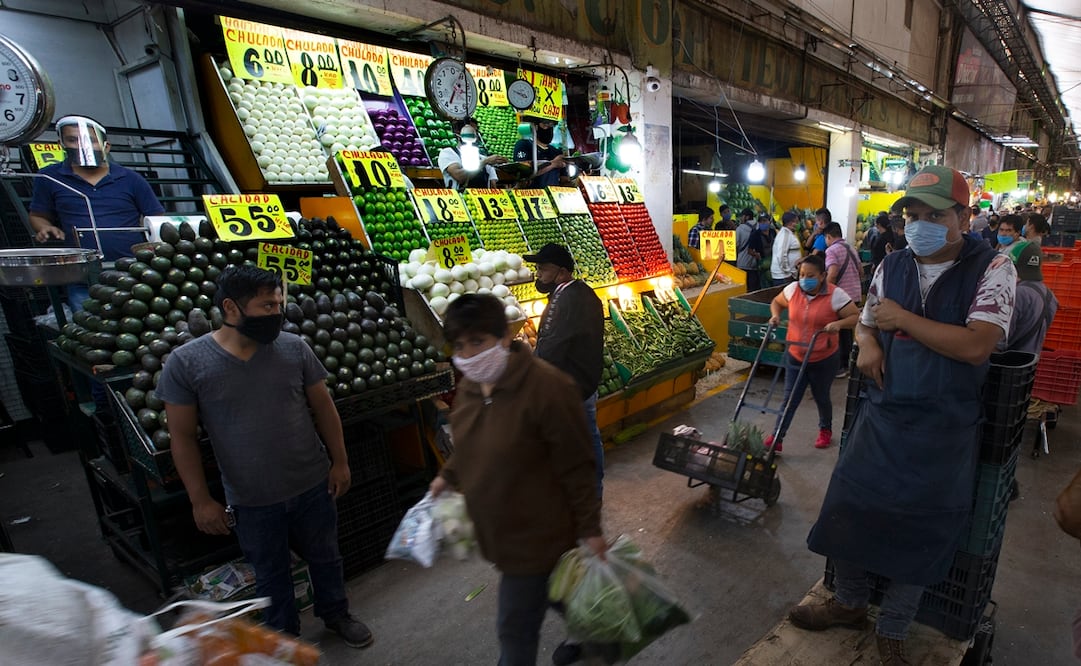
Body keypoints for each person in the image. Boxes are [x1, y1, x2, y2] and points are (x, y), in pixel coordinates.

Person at [788, 165, 1015, 664]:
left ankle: (893, 626)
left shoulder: (994, 269)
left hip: (944, 429)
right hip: (885, 417)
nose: (918, 224)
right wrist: (867, 343)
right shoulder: (893, 265)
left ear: (963, 215)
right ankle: (848, 603)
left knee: (920, 532)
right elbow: (868, 322)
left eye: (932, 214)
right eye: (911, 214)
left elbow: (978, 346)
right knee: (850, 511)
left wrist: (903, 321)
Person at [155, 266, 372, 647]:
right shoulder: (186, 363)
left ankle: (337, 613)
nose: (276, 312)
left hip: (312, 482)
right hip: (251, 499)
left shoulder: (293, 347)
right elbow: (183, 438)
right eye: (266, 305)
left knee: (326, 557)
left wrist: (339, 461)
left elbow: (324, 407)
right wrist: (200, 500)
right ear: (231, 308)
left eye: (279, 303)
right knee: (271, 575)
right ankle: (285, 640)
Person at [428, 294, 606, 666]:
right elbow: (473, 442)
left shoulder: (548, 388)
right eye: (460, 345)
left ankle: (596, 635)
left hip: (537, 534)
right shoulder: (473, 388)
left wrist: (590, 528)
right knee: (562, 592)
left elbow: (578, 464)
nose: (469, 354)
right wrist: (447, 476)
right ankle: (597, 635)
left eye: (478, 341)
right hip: (504, 535)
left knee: (515, 631)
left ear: (505, 338)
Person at [29, 115, 164, 309]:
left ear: (106, 146)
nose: (81, 145)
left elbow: (156, 219)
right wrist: (45, 228)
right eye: (72, 140)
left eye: (91, 140)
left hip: (132, 270)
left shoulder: (131, 179)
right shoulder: (49, 178)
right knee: (90, 329)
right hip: (82, 275)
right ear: (61, 144)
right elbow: (38, 216)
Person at [523, 243, 606, 497]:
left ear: (561, 272)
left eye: (543, 268)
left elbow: (550, 348)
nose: (538, 274)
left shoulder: (563, 298)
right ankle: (594, 491)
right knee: (590, 436)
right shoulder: (584, 291)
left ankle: (584, 497)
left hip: (570, 388)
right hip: (586, 383)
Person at [765, 255, 860, 453]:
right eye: (801, 274)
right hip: (795, 355)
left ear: (823, 276)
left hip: (823, 359)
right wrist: (775, 315)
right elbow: (776, 302)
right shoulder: (792, 290)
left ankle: (825, 430)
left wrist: (838, 324)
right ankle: (777, 437)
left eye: (810, 275)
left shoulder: (836, 295)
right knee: (789, 398)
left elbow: (855, 317)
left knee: (821, 396)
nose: (804, 279)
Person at [998, 239, 1057, 354]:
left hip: (1008, 363)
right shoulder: (1049, 295)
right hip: (1030, 361)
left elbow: (999, 341)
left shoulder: (1017, 293)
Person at [824, 222, 865, 377]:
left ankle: (839, 367)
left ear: (828, 236)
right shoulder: (852, 248)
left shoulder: (831, 251)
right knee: (847, 330)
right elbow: (861, 271)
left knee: (838, 330)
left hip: (841, 297)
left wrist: (824, 291)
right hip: (854, 294)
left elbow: (833, 273)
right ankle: (848, 364)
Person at [437, 117, 507, 191]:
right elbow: (459, 176)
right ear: (458, 132)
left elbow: (493, 189)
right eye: (469, 132)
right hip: (460, 200)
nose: (474, 136)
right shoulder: (449, 153)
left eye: (474, 132)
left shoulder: (484, 159)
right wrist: (484, 162)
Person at [514, 118, 566, 188]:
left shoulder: (556, 152)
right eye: (545, 124)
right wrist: (553, 164)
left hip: (553, 195)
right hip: (531, 194)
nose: (548, 128)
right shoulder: (524, 145)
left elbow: (564, 179)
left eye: (551, 125)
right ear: (535, 127)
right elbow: (523, 173)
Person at [771, 211, 802, 283]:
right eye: (796, 222)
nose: (798, 224)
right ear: (791, 222)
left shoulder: (789, 233)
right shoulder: (785, 234)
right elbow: (781, 255)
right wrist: (788, 273)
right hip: (783, 276)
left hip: (785, 276)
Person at [736, 208, 761, 290]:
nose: (740, 218)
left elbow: (736, 245)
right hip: (757, 262)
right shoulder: (759, 226)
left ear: (746, 217)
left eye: (742, 216)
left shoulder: (740, 228)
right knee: (754, 287)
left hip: (742, 262)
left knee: (744, 287)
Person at [757, 214, 777, 288]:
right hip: (762, 265)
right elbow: (750, 250)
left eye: (764, 221)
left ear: (769, 222)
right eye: (760, 221)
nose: (762, 223)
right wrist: (758, 258)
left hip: (774, 262)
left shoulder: (773, 232)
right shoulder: (756, 234)